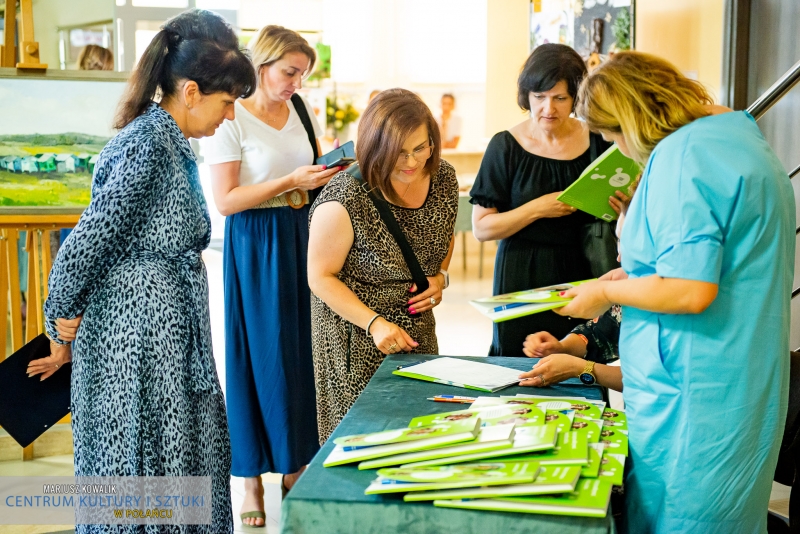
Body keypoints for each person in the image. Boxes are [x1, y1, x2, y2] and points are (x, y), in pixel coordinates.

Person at [32, 9, 256, 534]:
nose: (229, 117)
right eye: (227, 103)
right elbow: (87, 241)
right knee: (143, 467)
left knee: (170, 465)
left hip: (161, 341)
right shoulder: (149, 144)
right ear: (192, 92)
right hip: (136, 345)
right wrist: (59, 321)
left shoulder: (168, 142)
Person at [559, 51, 795, 532]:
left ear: (630, 118)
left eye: (615, 136)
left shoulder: (684, 155)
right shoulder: (734, 135)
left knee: (689, 519)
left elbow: (691, 289)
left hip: (696, 393)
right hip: (733, 378)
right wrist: (630, 277)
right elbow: (713, 262)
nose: (621, 150)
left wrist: (606, 296)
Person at [202, 25, 338, 528]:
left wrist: (325, 174)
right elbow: (226, 201)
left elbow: (311, 170)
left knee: (303, 353)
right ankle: (251, 479)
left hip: (304, 233)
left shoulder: (300, 109)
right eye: (290, 72)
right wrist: (289, 181)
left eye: (302, 75)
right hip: (257, 243)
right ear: (262, 65)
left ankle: (295, 464)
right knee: (260, 355)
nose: (296, 83)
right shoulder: (229, 116)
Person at [308, 88, 458, 443]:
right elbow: (320, 276)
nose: (411, 161)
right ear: (376, 147)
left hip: (417, 327)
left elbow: (444, 235)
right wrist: (374, 324)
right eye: (399, 152)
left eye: (420, 148)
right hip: (357, 334)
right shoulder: (345, 197)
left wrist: (440, 277)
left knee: (419, 433)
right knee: (364, 441)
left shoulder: (443, 177)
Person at [470, 43, 615, 356]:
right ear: (527, 96)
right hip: (521, 271)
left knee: (578, 358)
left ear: (576, 97)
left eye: (560, 98)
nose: (549, 108)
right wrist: (538, 208)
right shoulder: (505, 146)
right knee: (517, 363)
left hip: (583, 267)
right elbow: (482, 228)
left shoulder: (598, 140)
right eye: (539, 97)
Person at [520, 195, 630, 392]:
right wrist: (561, 347)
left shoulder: (671, 301)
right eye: (618, 240)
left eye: (628, 243)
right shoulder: (628, 283)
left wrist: (579, 368)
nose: (619, 257)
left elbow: (649, 381)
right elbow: (599, 333)